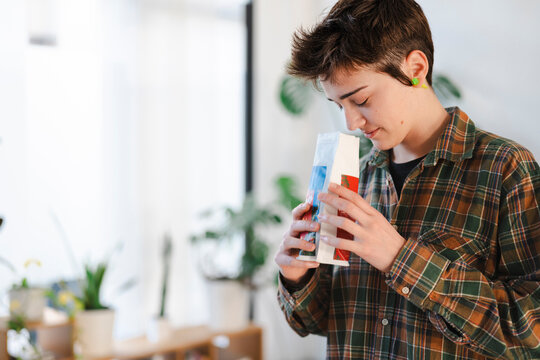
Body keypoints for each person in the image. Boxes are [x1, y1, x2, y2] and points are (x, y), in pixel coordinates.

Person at [274, 0, 540, 359]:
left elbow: (531, 332)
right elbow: (324, 321)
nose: (351, 124)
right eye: (340, 107)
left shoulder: (506, 169)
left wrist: (400, 257)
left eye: (362, 100)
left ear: (416, 67)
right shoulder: (356, 179)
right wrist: (298, 277)